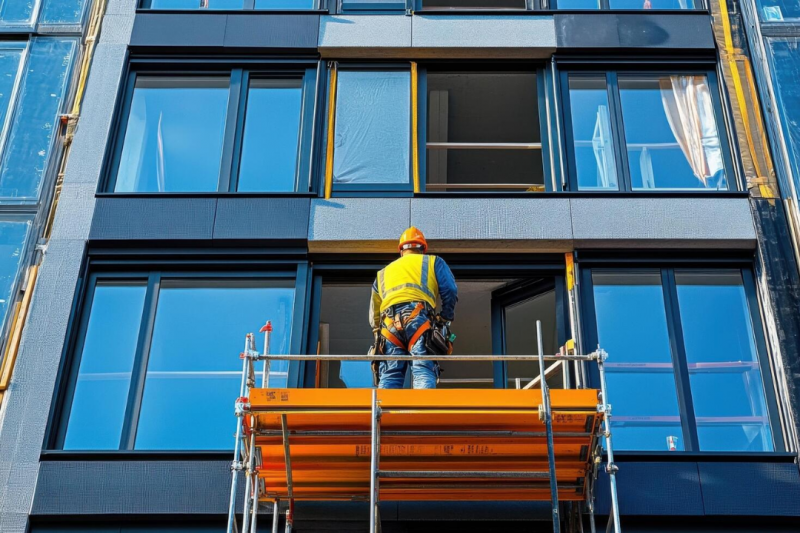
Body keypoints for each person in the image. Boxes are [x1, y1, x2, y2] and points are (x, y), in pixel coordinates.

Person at [368, 227, 458, 389]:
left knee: (390, 375)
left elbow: (374, 312)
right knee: (423, 370)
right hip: (419, 319)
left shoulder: (382, 273)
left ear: (402, 251)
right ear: (423, 249)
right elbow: (450, 290)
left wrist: (377, 332)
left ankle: (383, 414)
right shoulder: (433, 261)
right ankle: (422, 414)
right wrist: (445, 318)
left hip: (388, 326)